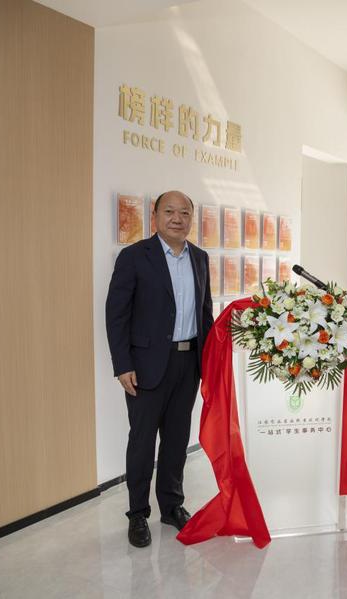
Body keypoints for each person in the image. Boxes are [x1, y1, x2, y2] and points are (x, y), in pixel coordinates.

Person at [106, 190, 214, 548]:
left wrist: (210, 361)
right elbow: (116, 314)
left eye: (184, 212)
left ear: (191, 218)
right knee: (142, 442)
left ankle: (171, 506)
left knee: (177, 440)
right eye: (169, 211)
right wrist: (122, 364)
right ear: (155, 216)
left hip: (188, 362)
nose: (177, 219)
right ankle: (138, 514)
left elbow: (205, 313)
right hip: (146, 366)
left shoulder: (200, 258)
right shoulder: (135, 257)